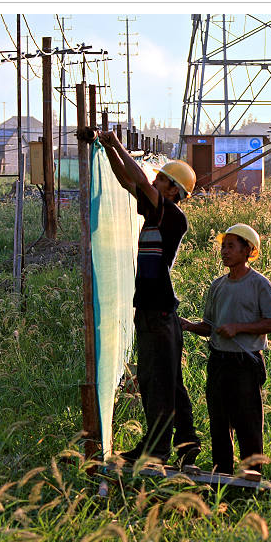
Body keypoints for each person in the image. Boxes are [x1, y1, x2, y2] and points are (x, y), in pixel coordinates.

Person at [97, 130, 201, 467]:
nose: (154, 182)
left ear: (173, 190)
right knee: (167, 381)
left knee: (158, 382)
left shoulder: (171, 216)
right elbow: (129, 182)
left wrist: (114, 142)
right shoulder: (155, 211)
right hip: (154, 311)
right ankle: (185, 445)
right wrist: (106, 150)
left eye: (162, 180)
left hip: (156, 312)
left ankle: (157, 450)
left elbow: (139, 179)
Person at [181, 224, 271, 476]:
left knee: (248, 423)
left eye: (231, 246)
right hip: (219, 362)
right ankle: (222, 476)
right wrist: (188, 326)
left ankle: (251, 477)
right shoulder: (217, 286)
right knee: (219, 421)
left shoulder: (259, 284)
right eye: (223, 246)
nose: (224, 251)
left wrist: (239, 328)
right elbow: (210, 327)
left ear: (248, 251)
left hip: (246, 363)